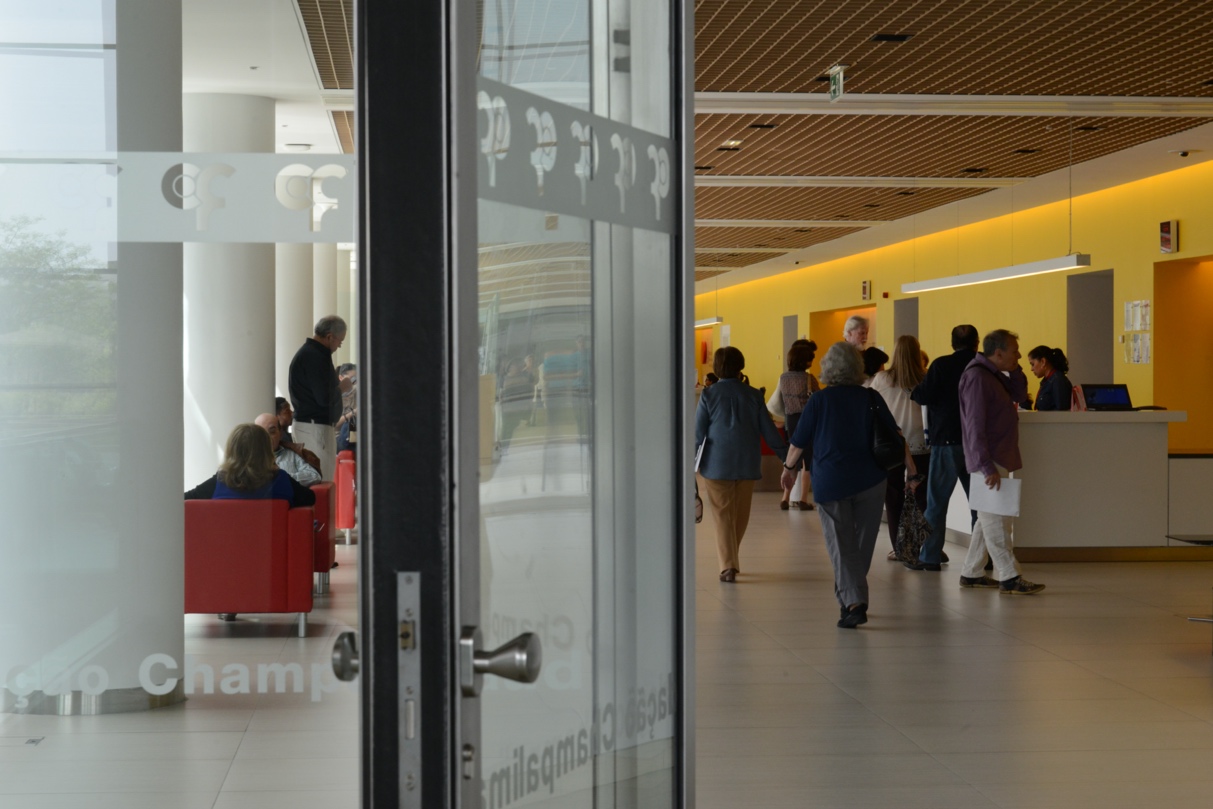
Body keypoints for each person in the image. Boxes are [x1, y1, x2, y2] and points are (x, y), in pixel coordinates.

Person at [781, 342, 911, 628]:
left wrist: (788, 470)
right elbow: (896, 435)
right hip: (871, 479)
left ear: (828, 368)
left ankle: (854, 602)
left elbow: (798, 441)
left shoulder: (819, 401)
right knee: (863, 543)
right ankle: (851, 598)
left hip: (832, 480)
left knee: (840, 544)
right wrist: (911, 471)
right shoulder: (871, 397)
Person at [958, 329, 1045, 595]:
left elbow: (1019, 393)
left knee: (988, 517)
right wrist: (986, 466)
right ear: (998, 353)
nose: (1019, 355)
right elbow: (974, 425)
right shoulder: (977, 377)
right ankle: (1009, 575)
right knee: (996, 519)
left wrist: (1016, 368)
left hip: (998, 455)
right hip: (989, 459)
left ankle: (972, 572)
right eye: (1015, 351)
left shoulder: (993, 375)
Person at [695, 346, 788, 583]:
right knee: (740, 515)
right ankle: (730, 562)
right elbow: (769, 432)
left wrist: (686, 462)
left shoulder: (708, 395)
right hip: (747, 463)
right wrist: (787, 458)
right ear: (741, 366)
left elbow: (697, 434)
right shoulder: (754, 395)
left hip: (716, 465)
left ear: (717, 368)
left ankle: (728, 565)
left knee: (723, 515)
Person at [910, 325, 979, 570]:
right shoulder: (983, 366)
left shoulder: (941, 365)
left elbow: (921, 396)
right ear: (976, 343)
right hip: (977, 443)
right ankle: (982, 557)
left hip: (946, 440)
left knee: (937, 503)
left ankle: (930, 556)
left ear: (952, 343)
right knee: (980, 504)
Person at [870, 335, 930, 562]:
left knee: (893, 496)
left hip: (891, 444)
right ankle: (924, 545)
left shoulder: (882, 379)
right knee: (922, 497)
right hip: (922, 443)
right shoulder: (924, 378)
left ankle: (899, 547)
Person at [185, 423, 316, 507]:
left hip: (226, 548)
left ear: (231, 450)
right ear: (266, 450)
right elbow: (310, 498)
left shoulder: (220, 481)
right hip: (273, 548)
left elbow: (186, 499)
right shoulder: (281, 480)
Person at [288, 315, 346, 480]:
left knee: (323, 480)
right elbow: (324, 398)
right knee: (322, 481)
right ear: (329, 337)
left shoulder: (313, 354)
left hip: (314, 426)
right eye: (339, 342)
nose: (338, 346)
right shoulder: (314, 356)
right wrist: (342, 387)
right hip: (314, 427)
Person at [776, 340, 820, 511]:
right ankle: (802, 499)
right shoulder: (808, 378)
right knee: (808, 461)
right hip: (806, 420)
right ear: (806, 361)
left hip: (790, 421)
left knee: (792, 459)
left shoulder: (783, 377)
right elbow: (818, 397)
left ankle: (785, 497)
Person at [254, 413, 320, 485]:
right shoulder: (250, 458)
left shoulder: (292, 455)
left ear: (280, 434)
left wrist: (283, 478)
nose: (267, 437)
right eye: (262, 433)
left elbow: (314, 476)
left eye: (272, 432)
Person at [275, 397, 322, 473]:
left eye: (290, 410)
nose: (291, 413)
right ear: (276, 417)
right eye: (287, 411)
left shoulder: (289, 436)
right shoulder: (282, 439)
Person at [1028, 345, 1073, 411]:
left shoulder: (1058, 381)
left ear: (1043, 361)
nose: (1031, 369)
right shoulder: (1047, 381)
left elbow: (1061, 412)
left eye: (1032, 364)